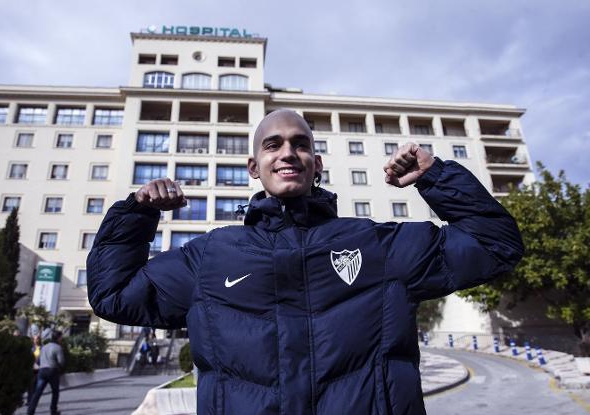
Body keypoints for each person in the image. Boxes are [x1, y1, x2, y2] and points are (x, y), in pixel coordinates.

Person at [87, 109, 524, 414]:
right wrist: (136, 216)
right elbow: (114, 295)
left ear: (316, 164)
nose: (287, 152)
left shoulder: (374, 246)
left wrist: (434, 176)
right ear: (254, 167)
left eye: (300, 144)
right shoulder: (211, 257)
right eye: (272, 145)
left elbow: (495, 244)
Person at [27, 330, 64, 415]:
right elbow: (61, 361)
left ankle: (30, 411)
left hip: (42, 371)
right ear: (59, 338)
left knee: (38, 392)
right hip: (52, 371)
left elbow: (38, 360)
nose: (61, 339)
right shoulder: (58, 347)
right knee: (55, 392)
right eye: (61, 337)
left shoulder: (44, 347)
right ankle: (53, 410)